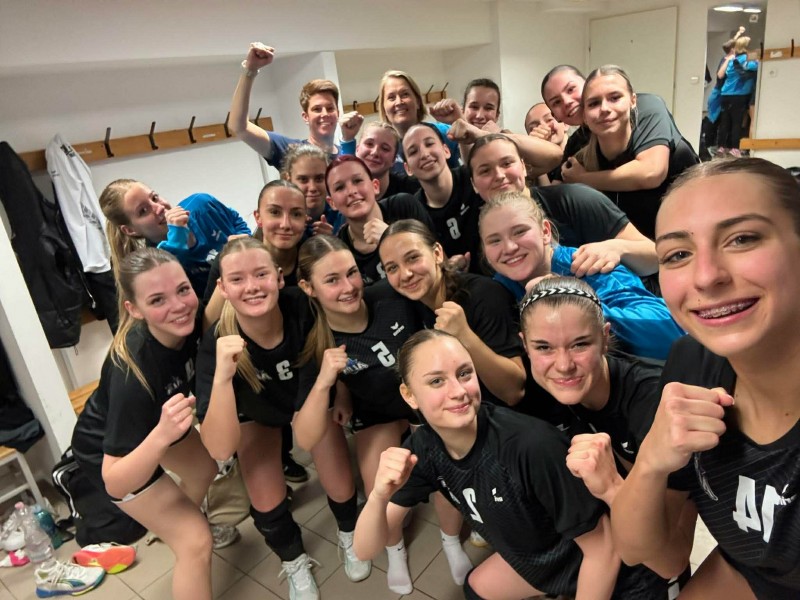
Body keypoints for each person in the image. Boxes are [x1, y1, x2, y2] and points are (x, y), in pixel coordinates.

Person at [612, 158, 800, 599]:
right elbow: (648, 552)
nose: (706, 276)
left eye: (742, 238)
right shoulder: (693, 363)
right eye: (678, 254)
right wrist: (651, 462)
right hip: (748, 571)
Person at [354, 329, 656, 599]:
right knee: (475, 588)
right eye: (436, 381)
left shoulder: (530, 446)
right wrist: (379, 495)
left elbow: (603, 551)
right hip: (539, 562)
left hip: (608, 571)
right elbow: (365, 549)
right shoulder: (424, 447)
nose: (458, 391)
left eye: (464, 373)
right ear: (409, 395)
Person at [293, 235, 472, 594]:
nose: (348, 287)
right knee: (381, 485)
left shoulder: (391, 297)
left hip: (424, 404)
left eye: (351, 273)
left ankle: (451, 540)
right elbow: (304, 437)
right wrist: (328, 382)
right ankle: (394, 550)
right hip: (377, 413)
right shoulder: (319, 341)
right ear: (308, 288)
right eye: (332, 280)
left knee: (448, 466)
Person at [196, 238, 370, 600]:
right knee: (265, 498)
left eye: (261, 274)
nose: (252, 287)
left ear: (278, 277)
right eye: (238, 279)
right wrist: (223, 379)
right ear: (223, 288)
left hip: (306, 401)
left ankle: (349, 530)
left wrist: (338, 390)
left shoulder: (301, 308)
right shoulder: (218, 341)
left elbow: (307, 433)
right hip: (257, 415)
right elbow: (219, 449)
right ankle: (293, 560)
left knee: (340, 481)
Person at [71, 248, 219, 600]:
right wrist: (161, 436)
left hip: (160, 422)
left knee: (204, 470)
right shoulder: (132, 372)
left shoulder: (188, 320)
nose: (179, 306)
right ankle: (185, 536)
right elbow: (115, 480)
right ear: (134, 309)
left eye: (183, 290)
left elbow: (217, 300)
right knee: (196, 543)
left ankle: (175, 528)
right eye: (157, 300)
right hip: (116, 451)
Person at [479, 191, 683, 360]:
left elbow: (670, 331)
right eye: (494, 241)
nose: (509, 247)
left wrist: (572, 300)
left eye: (519, 232)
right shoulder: (496, 290)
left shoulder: (588, 265)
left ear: (545, 232)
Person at [200, 181, 311, 483]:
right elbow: (210, 327)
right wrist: (236, 258)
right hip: (252, 382)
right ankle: (275, 457)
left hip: (295, 376)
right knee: (266, 493)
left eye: (296, 214)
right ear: (258, 217)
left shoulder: (309, 263)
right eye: (275, 212)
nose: (285, 223)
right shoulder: (232, 262)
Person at [468, 133, 659, 278]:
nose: (499, 175)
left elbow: (655, 257)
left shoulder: (573, 200)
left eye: (507, 163)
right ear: (473, 184)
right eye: (485, 171)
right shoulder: (477, 231)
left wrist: (618, 248)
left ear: (524, 167)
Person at [378, 219, 526, 406]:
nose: (405, 274)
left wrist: (464, 335)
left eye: (413, 258)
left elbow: (514, 391)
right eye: (392, 268)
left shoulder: (484, 295)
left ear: (437, 253)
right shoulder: (409, 305)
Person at [540, 65, 698, 237]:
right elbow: (556, 196)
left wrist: (584, 179)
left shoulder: (647, 108)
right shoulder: (576, 143)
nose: (567, 101)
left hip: (689, 221)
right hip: (634, 237)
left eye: (571, 89)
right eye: (556, 102)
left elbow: (651, 172)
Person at [99, 179, 250, 297]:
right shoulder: (153, 264)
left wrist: (245, 241)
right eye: (143, 211)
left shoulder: (201, 205)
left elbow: (234, 219)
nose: (159, 208)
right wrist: (177, 241)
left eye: (155, 198)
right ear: (130, 230)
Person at [229, 42, 362, 168]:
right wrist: (250, 70)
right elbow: (239, 127)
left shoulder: (346, 154)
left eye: (330, 108)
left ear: (338, 113)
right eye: (317, 109)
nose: (325, 114)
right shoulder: (291, 151)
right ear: (305, 117)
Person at [325, 154, 434, 285]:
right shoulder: (339, 249)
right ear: (332, 203)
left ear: (375, 186)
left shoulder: (403, 206)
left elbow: (439, 260)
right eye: (340, 187)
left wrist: (391, 237)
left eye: (357, 180)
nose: (351, 191)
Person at [377, 70, 460, 171]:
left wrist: (460, 122)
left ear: (418, 101)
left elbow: (474, 162)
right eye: (391, 97)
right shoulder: (383, 150)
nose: (398, 102)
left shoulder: (443, 132)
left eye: (405, 94)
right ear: (383, 108)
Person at [340, 121, 421, 200]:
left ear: (393, 160)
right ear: (357, 149)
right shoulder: (342, 191)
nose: (375, 152)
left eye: (385, 148)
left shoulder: (411, 189)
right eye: (369, 144)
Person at [279, 143, 344, 237]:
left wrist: (334, 240)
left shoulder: (342, 216)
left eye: (319, 179)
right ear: (288, 179)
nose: (312, 187)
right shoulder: (278, 219)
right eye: (303, 179)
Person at [717, 37, 759, 158]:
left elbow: (721, 74)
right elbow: (757, 66)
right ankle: (735, 148)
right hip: (738, 95)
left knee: (724, 121)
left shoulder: (731, 60)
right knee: (737, 122)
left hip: (725, 94)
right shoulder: (746, 60)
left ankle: (721, 146)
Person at [524, 102, 568, 186]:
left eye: (549, 120)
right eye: (534, 127)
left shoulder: (580, 151)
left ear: (565, 124)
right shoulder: (528, 169)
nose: (543, 127)